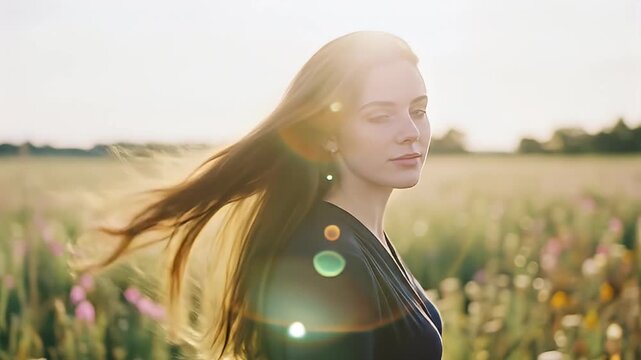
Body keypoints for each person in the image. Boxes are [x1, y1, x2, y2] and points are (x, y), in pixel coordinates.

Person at [73, 30, 443, 359]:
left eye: (418, 110)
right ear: (329, 132)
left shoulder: (361, 237)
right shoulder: (327, 258)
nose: (411, 131)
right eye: (380, 116)